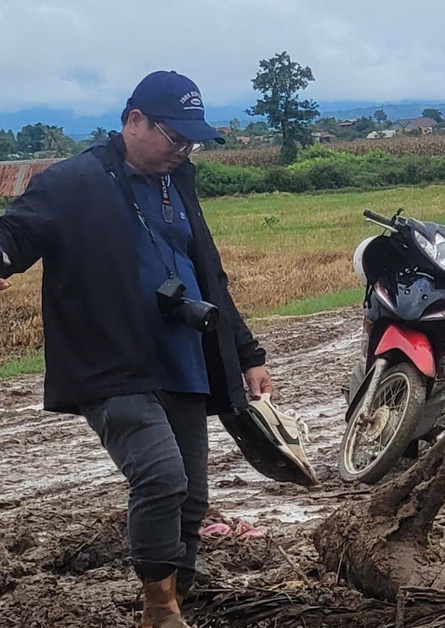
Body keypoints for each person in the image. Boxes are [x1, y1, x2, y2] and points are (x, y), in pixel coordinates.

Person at [0, 70, 273, 628]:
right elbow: (14, 235)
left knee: (192, 498)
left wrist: (247, 352)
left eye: (190, 140)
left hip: (184, 360)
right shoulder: (71, 182)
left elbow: (208, 276)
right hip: (112, 363)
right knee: (160, 478)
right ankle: (158, 610)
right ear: (133, 121)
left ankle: (179, 606)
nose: (182, 149)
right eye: (174, 137)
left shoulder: (179, 181)